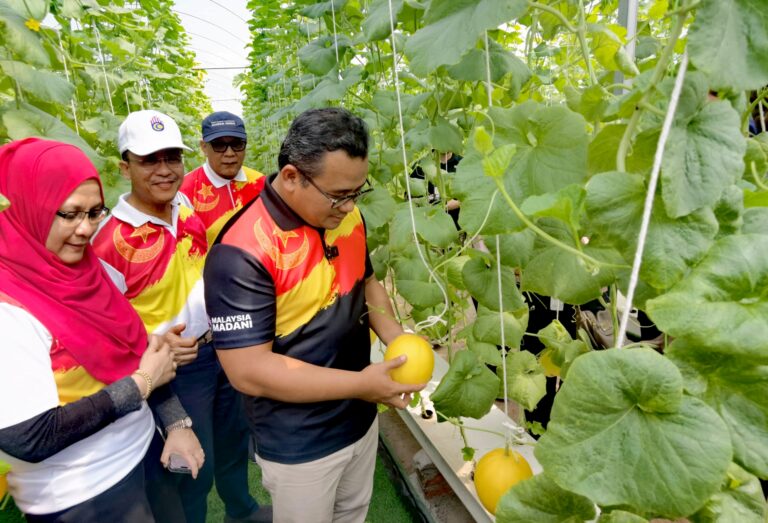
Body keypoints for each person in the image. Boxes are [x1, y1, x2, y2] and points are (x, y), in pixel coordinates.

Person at [204, 107, 426, 523]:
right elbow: (248, 371)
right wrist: (362, 383)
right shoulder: (239, 252)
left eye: (357, 191)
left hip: (360, 419)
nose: (349, 205)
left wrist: (396, 337)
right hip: (300, 442)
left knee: (352, 515)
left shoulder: (347, 214)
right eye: (339, 194)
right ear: (291, 177)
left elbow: (367, 280)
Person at [0, 138, 203, 522]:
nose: (85, 229)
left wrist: (175, 421)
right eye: (69, 214)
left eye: (95, 213)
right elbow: (26, 436)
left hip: (143, 452)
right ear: (30, 208)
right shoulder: (9, 308)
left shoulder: (95, 272)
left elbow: (137, 351)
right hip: (81, 493)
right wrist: (141, 384)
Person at [91, 110, 268, 523]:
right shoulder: (108, 243)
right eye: (149, 160)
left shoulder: (185, 207)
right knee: (192, 468)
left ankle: (242, 512)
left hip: (222, 349)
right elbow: (106, 331)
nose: (165, 170)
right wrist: (155, 343)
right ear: (125, 167)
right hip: (176, 370)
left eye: (172, 157)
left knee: (232, 440)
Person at [180, 111, 266, 245]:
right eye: (219, 145)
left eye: (237, 144)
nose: (230, 153)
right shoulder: (185, 192)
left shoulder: (261, 183)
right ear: (204, 147)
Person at [409, 150, 463, 229]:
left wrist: (458, 203)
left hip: (458, 228)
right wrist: (430, 202)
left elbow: (473, 194)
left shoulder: (463, 163)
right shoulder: (420, 166)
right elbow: (410, 198)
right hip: (428, 227)